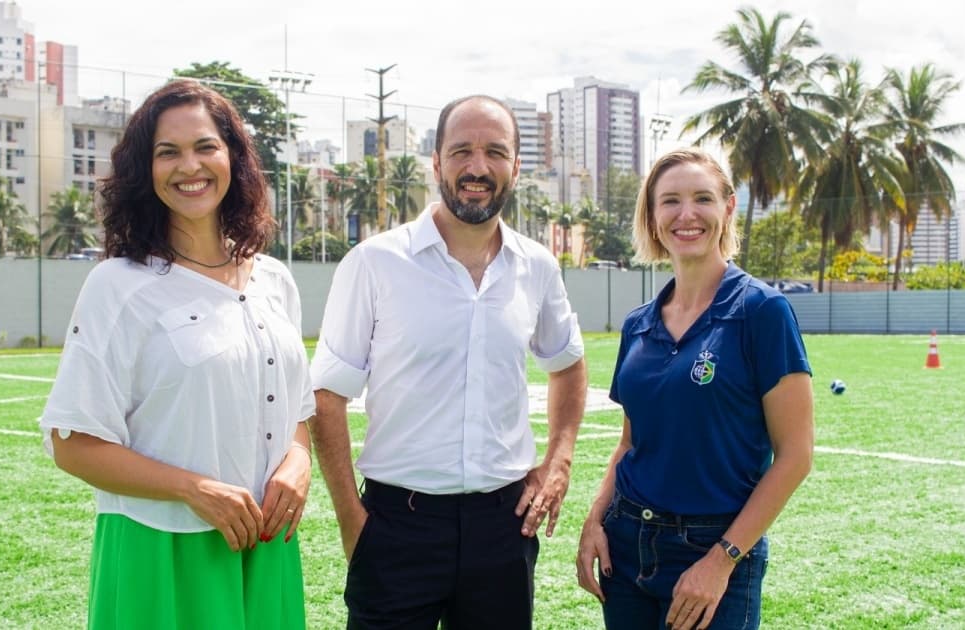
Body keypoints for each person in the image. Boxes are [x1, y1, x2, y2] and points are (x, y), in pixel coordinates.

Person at [39, 79, 314, 629]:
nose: (190, 166)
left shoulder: (275, 279)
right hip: (160, 550)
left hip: (265, 544)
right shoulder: (118, 285)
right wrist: (193, 490)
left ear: (233, 157)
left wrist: (299, 462)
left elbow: (297, 414)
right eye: (169, 153)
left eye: (205, 146)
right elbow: (73, 445)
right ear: (146, 171)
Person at [309, 94, 588, 630]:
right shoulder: (374, 263)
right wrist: (353, 522)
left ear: (516, 167)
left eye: (494, 152)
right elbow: (327, 396)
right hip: (397, 526)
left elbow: (568, 364)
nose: (477, 168)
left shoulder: (537, 267)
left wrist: (559, 460)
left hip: (504, 528)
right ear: (436, 162)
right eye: (462, 151)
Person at [575, 148, 814, 630]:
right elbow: (629, 442)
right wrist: (595, 520)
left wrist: (721, 559)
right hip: (626, 547)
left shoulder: (762, 312)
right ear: (653, 215)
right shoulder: (638, 325)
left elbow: (795, 456)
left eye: (702, 199)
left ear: (728, 207)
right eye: (670, 202)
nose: (686, 215)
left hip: (713, 548)